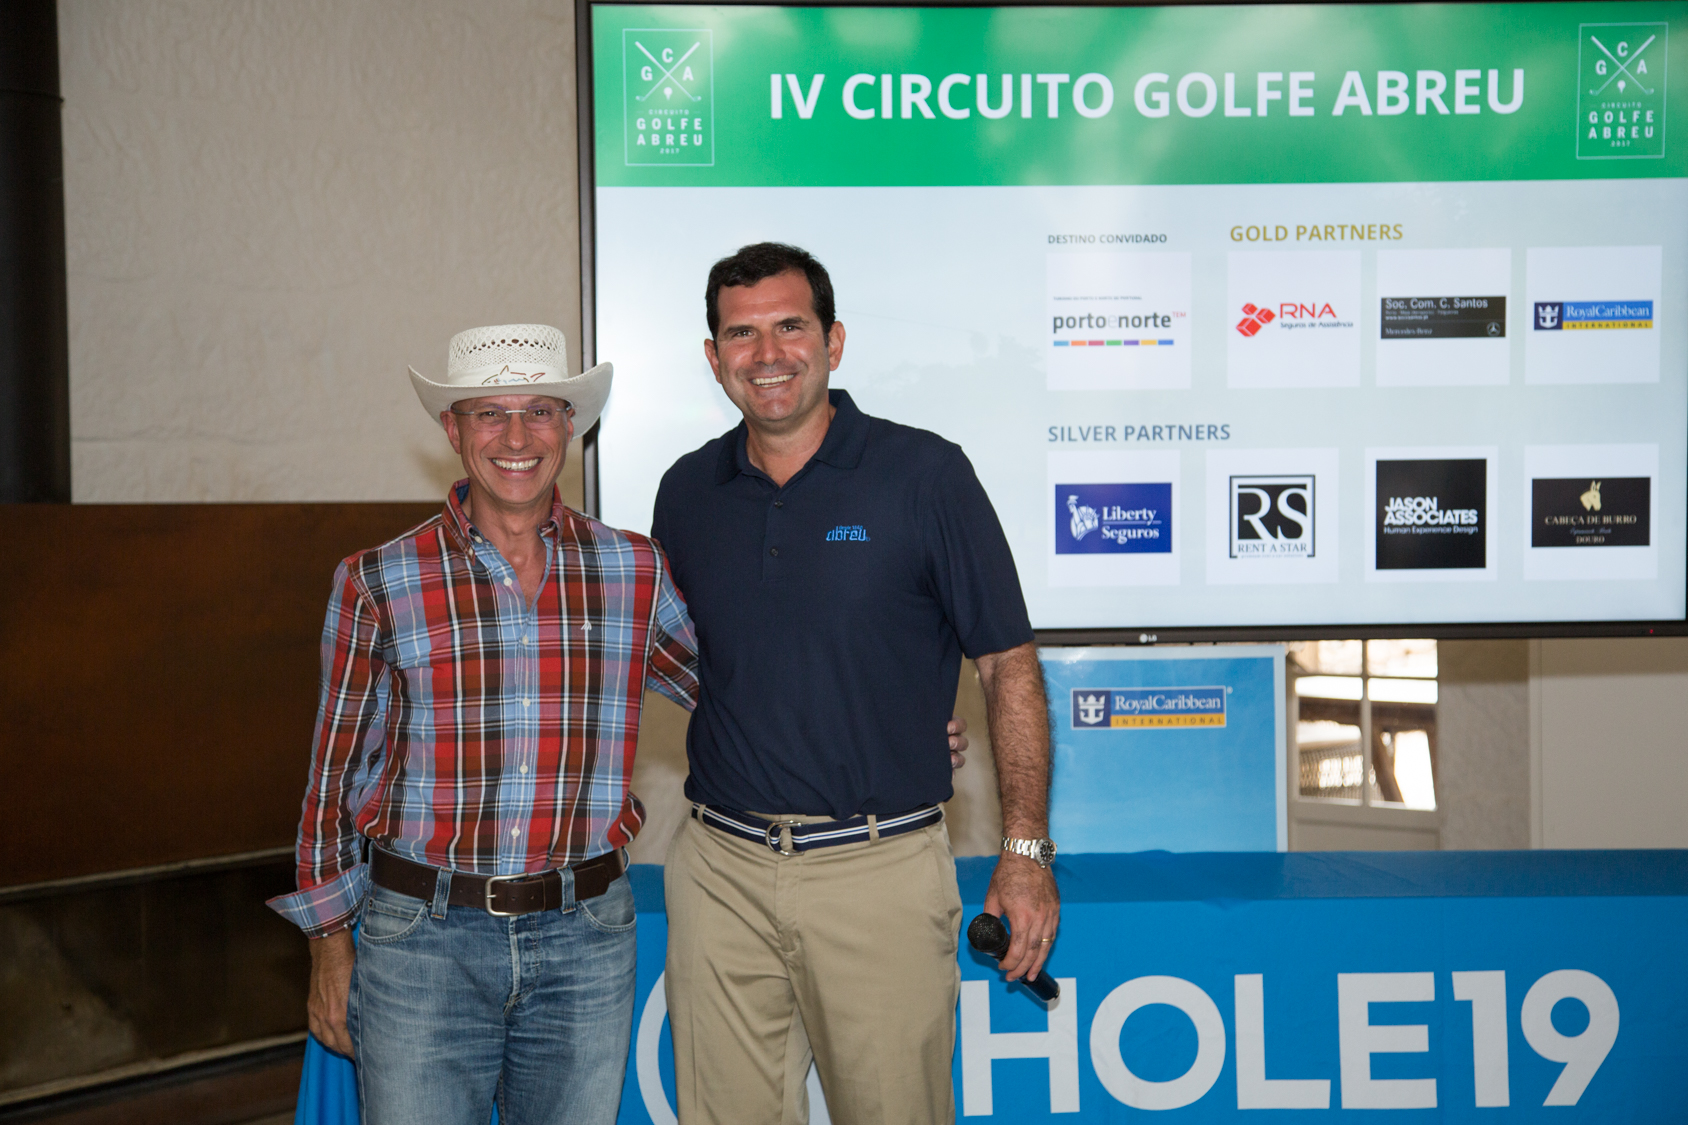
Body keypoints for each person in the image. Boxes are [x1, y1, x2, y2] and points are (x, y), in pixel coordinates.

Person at [652, 244, 1060, 1125]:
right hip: (720, 873)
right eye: (742, 334)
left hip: (878, 870)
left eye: (790, 326)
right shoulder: (685, 492)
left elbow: (1007, 664)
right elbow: (704, 662)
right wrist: (876, 710)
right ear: (714, 357)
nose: (768, 354)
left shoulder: (927, 476)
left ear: (833, 341)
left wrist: (1025, 852)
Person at [267, 324, 699, 1125]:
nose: (516, 437)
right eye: (489, 413)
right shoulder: (377, 580)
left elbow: (743, 698)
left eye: (540, 411)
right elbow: (332, 779)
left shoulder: (634, 570)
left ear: (571, 426)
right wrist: (328, 946)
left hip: (586, 938)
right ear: (453, 429)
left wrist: (903, 720)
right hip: (421, 944)